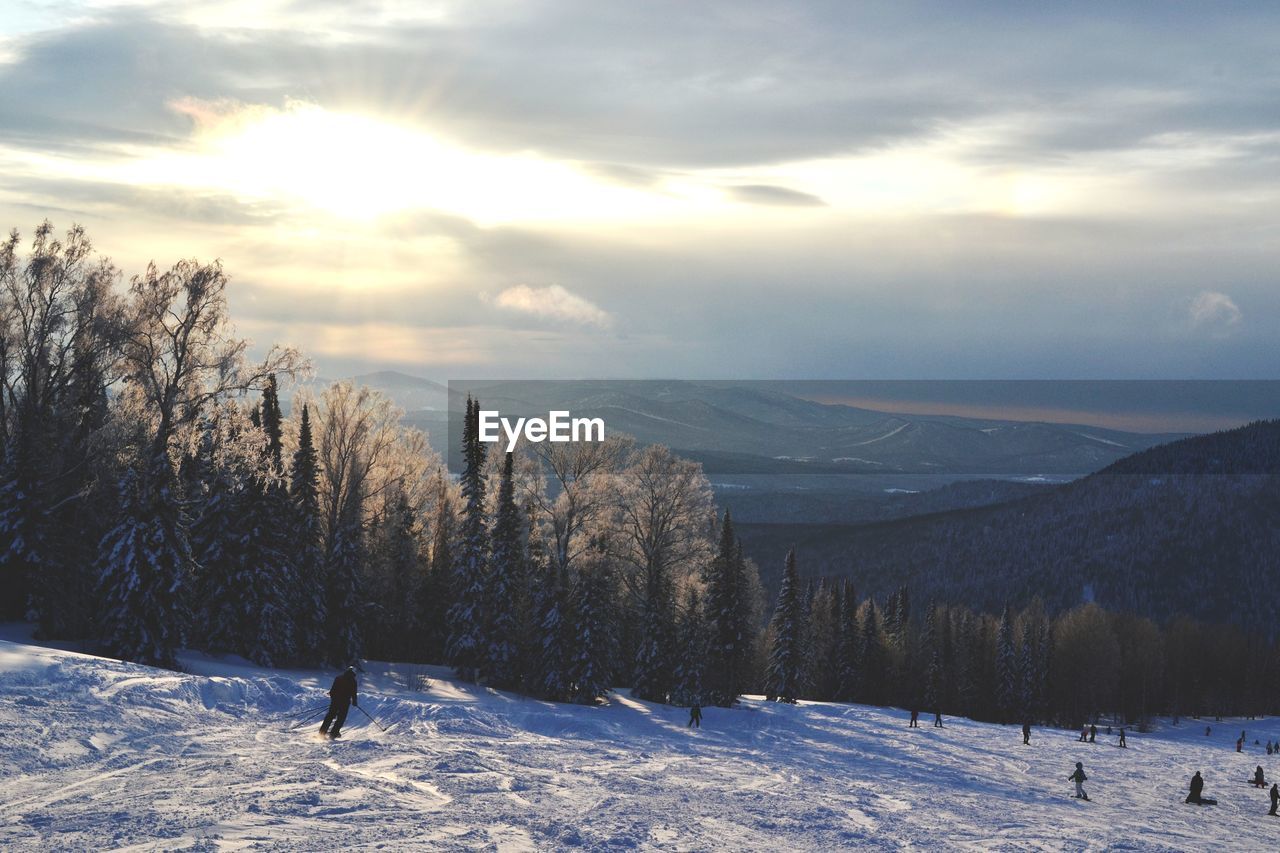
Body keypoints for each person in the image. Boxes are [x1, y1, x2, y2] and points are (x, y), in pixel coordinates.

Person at [320, 665, 358, 739]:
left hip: (335, 701)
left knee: (330, 716)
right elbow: (354, 693)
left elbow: (332, 690)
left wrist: (333, 699)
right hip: (345, 702)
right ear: (354, 673)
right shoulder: (353, 681)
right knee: (341, 718)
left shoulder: (339, 677)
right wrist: (354, 701)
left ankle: (322, 732)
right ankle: (333, 734)